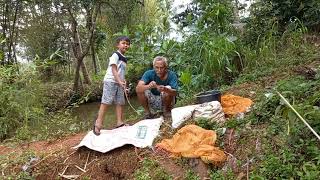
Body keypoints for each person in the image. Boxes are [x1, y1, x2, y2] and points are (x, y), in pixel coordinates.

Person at [93, 36, 131, 135]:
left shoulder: (125, 58)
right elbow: (114, 69)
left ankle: (119, 122)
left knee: (120, 102)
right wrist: (119, 81)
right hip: (111, 81)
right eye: (123, 43)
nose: (126, 45)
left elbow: (121, 71)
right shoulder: (115, 55)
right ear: (118, 45)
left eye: (127, 44)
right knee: (106, 101)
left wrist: (123, 81)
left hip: (119, 82)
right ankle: (98, 123)